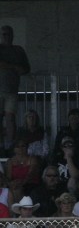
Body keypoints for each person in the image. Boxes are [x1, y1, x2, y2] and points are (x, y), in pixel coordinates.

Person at [0, 25, 31, 153]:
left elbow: (26, 69)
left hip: (12, 90)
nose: (6, 37)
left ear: (12, 35)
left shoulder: (18, 50)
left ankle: (9, 145)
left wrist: (11, 67)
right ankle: (1, 145)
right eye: (4, 34)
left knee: (10, 118)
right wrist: (14, 67)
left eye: (8, 34)